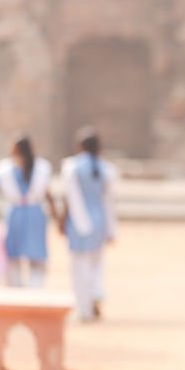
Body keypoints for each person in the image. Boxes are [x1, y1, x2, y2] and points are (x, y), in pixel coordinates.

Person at [0, 135, 59, 288]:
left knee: (13, 257)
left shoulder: (3, 168)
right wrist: (56, 216)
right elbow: (48, 194)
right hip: (36, 214)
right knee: (37, 257)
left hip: (15, 214)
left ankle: (16, 292)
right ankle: (34, 290)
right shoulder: (42, 167)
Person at [60, 128, 118, 321]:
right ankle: (96, 296)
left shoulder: (71, 167)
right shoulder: (107, 169)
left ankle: (83, 308)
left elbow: (71, 199)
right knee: (96, 265)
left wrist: (65, 221)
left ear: (80, 146)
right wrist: (111, 229)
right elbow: (109, 202)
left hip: (79, 222)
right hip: (99, 221)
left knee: (79, 267)